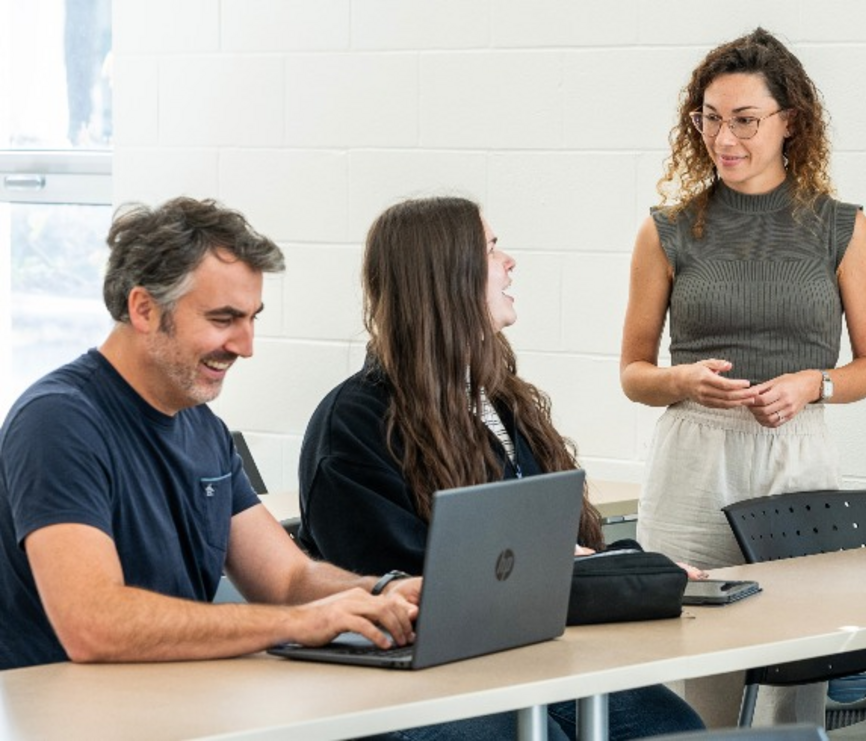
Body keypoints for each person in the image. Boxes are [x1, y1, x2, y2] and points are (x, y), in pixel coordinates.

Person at [297, 196, 705, 741]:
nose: (511, 261)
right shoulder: (353, 424)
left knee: (676, 728)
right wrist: (572, 566)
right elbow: (403, 582)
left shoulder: (499, 402)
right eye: (491, 249)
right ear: (447, 275)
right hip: (412, 679)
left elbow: (538, 542)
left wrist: (618, 569)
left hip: (522, 655)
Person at [0, 197, 423, 672]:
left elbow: (287, 578)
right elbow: (94, 624)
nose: (245, 346)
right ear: (143, 309)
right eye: (223, 319)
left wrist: (381, 592)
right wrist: (295, 623)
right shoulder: (58, 422)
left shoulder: (202, 428)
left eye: (251, 318)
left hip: (177, 703)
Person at [618, 27, 866, 726]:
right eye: (709, 118)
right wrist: (681, 381)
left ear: (789, 123)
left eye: (744, 120)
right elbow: (634, 372)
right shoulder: (668, 229)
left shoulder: (842, 228)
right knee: (689, 653)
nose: (723, 137)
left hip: (797, 449)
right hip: (693, 458)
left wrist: (812, 384)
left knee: (796, 662)